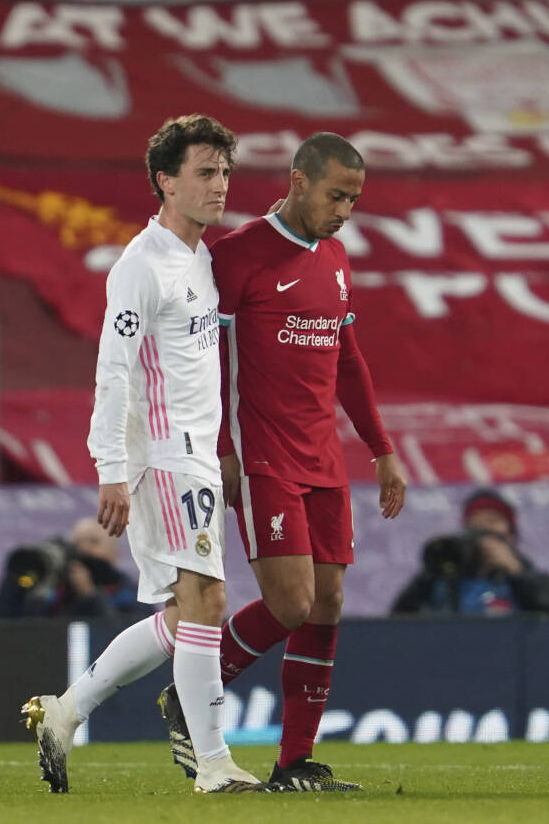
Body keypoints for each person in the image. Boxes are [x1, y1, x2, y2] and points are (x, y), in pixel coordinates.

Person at [22, 114, 266, 794]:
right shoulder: (141, 265)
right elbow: (114, 368)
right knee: (207, 597)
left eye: (224, 172)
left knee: (187, 612)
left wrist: (220, 451)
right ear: (166, 180)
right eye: (204, 173)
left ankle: (65, 712)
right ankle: (213, 763)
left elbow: (190, 369)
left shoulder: (201, 260)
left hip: (193, 454)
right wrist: (112, 469)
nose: (220, 186)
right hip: (161, 457)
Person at [159, 132, 407, 792]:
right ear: (299, 182)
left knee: (327, 603)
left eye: (355, 198)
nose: (346, 209)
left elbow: (348, 362)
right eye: (337, 195)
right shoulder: (235, 257)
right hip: (265, 457)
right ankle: (192, 691)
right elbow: (205, 361)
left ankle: (295, 762)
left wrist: (381, 449)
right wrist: (220, 452)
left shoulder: (335, 257)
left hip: (325, 459)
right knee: (290, 601)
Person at [391, 488, 549, 616]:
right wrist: (436, 564)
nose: (481, 529)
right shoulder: (441, 579)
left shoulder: (530, 577)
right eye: (474, 523)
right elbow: (398, 619)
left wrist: (517, 572)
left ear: (511, 535)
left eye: (491, 521)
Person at [0, 517, 151, 619]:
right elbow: (5, 624)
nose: (84, 549)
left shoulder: (131, 595)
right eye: (77, 542)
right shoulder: (51, 593)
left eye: (94, 542)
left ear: (115, 553)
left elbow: (117, 639)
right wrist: (17, 576)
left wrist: (89, 596)